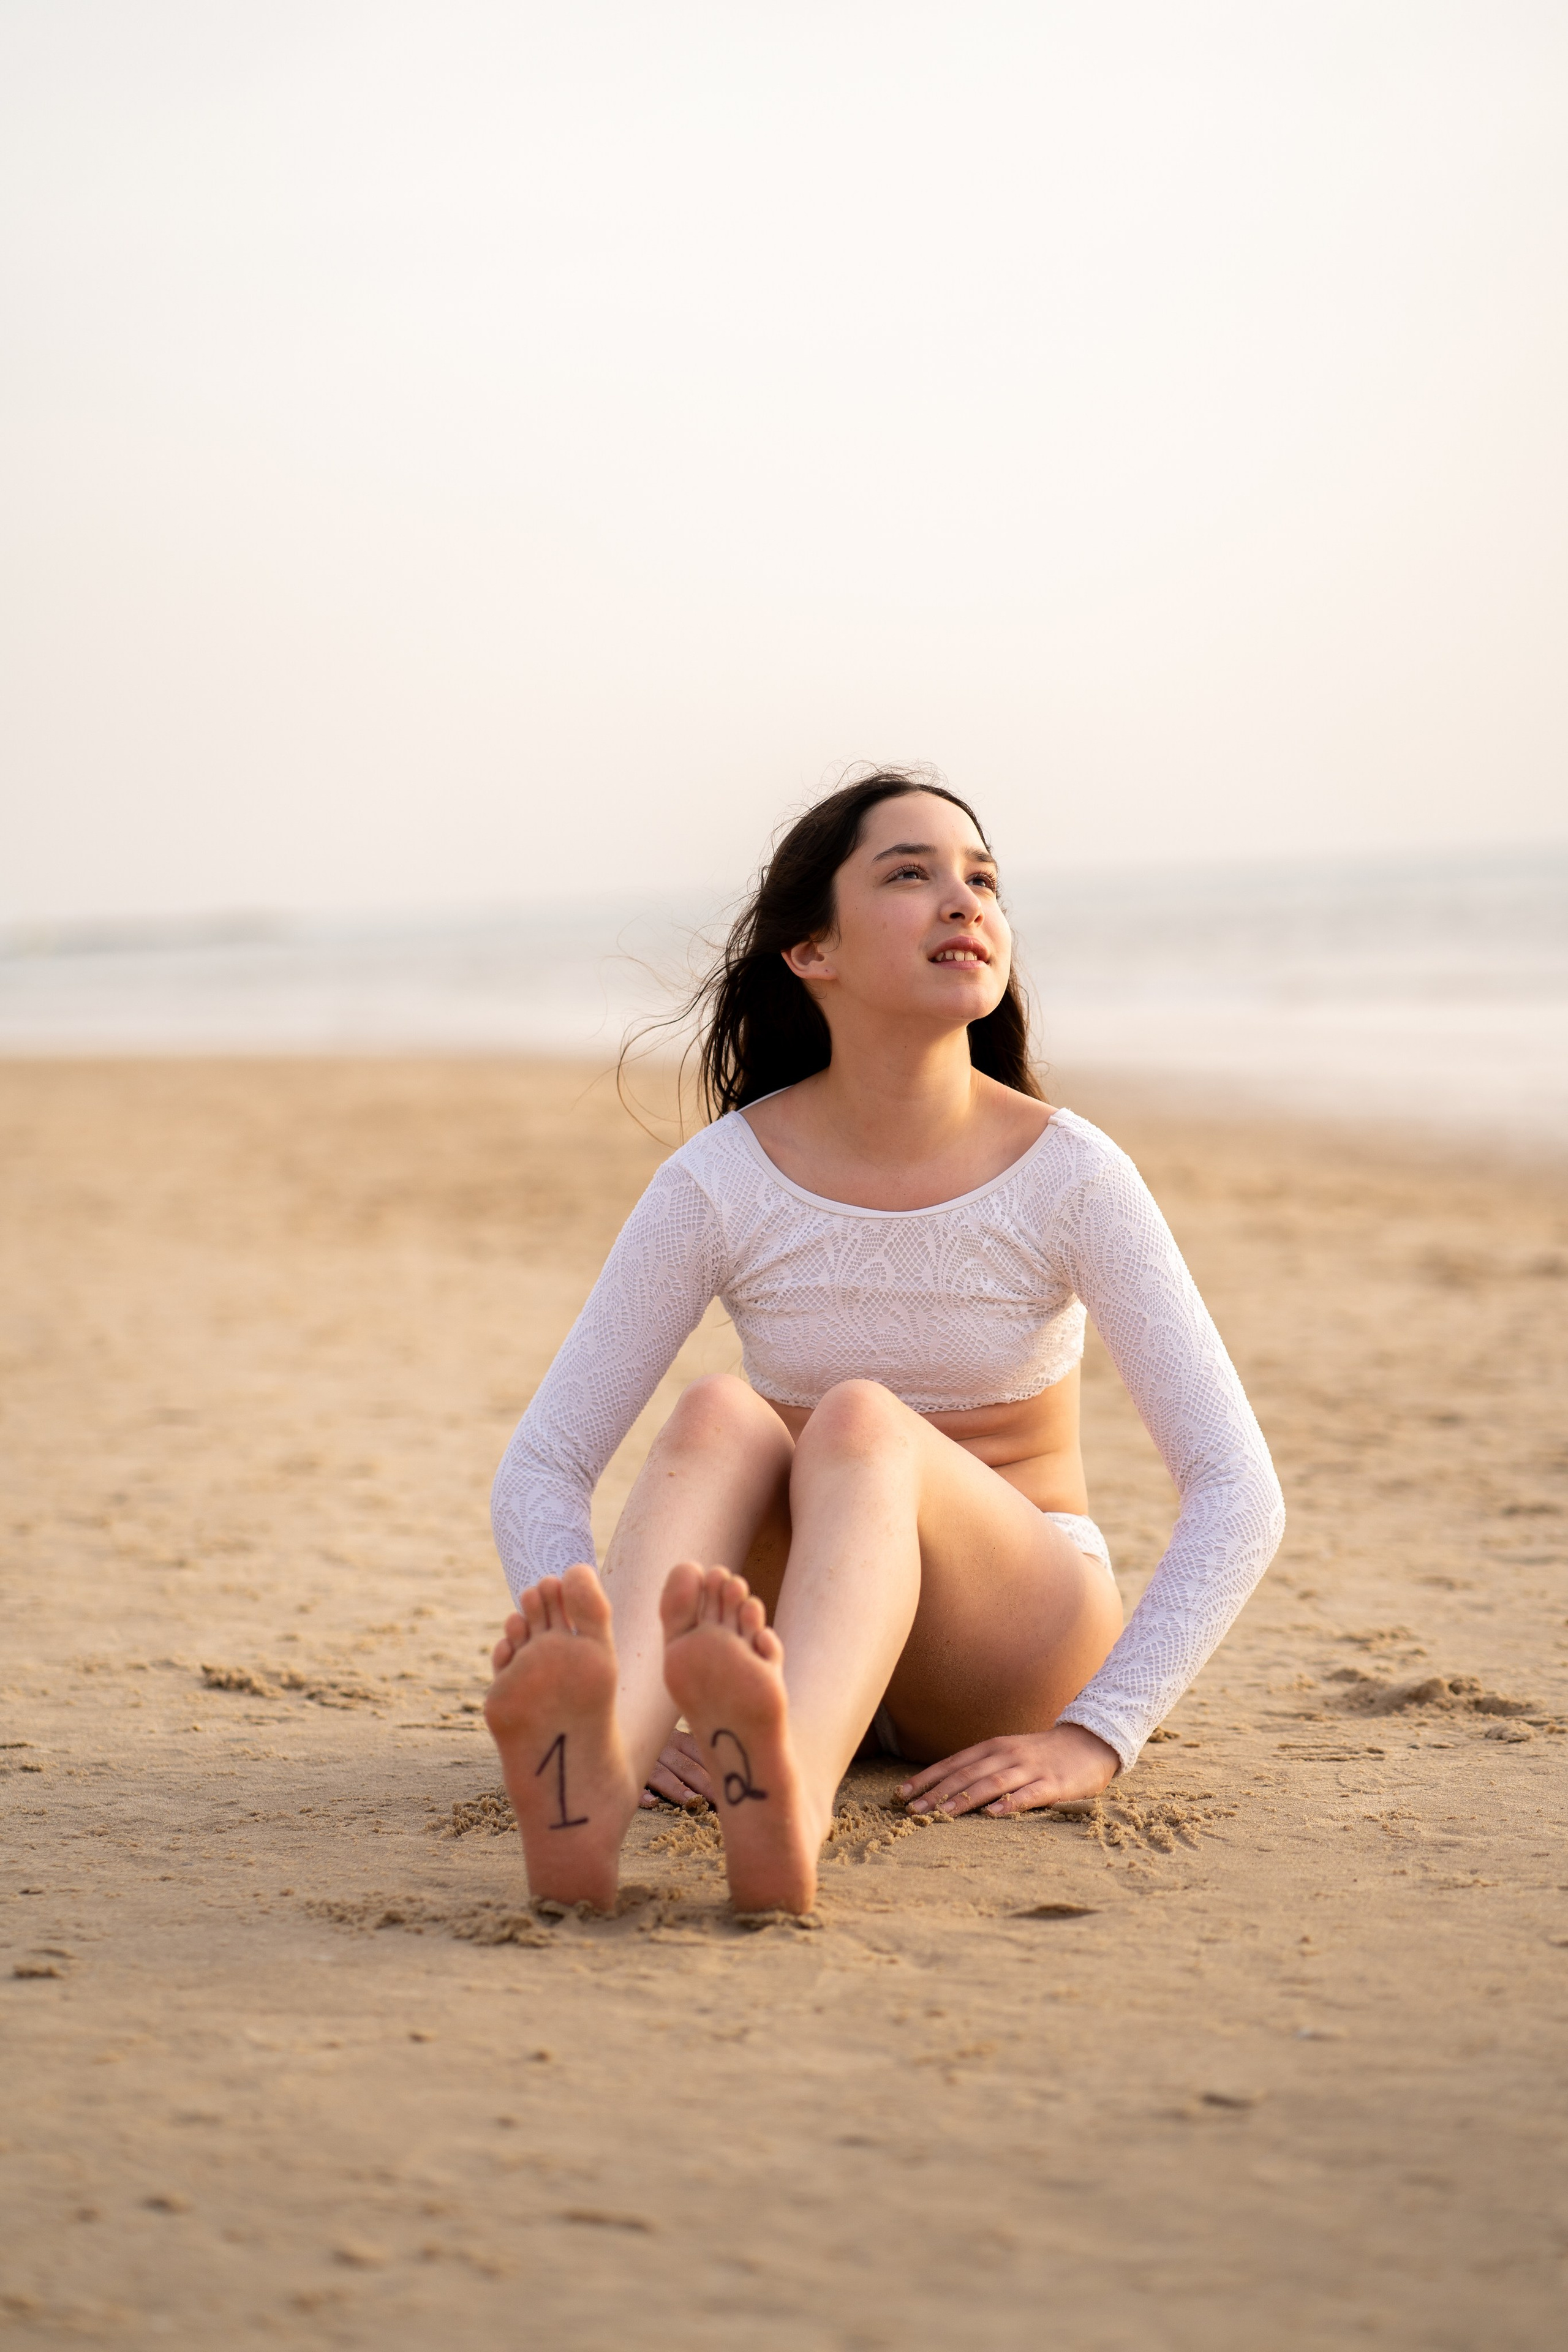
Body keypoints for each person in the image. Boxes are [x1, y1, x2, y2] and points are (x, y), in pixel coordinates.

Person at [485, 771, 1285, 1916]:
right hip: (800, 1633)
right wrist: (620, 1670)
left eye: (983, 879)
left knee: (858, 1418)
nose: (965, 901)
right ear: (812, 951)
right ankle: (598, 1769)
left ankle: (793, 1807)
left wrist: (1101, 1737)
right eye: (910, 874)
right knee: (718, 1414)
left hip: (1010, 1648)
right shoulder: (719, 1183)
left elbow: (1238, 1489)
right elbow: (543, 1468)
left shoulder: (1071, 1175)